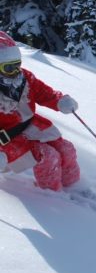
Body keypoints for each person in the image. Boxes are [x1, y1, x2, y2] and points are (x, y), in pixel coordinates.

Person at [0, 31, 80, 191]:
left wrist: (59, 101)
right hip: (9, 141)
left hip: (32, 126)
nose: (16, 71)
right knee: (48, 156)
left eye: (17, 64)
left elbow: (44, 93)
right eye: (9, 67)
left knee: (66, 149)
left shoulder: (25, 78)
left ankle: (75, 186)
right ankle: (52, 196)